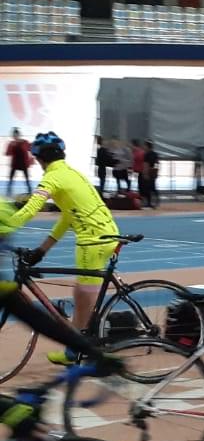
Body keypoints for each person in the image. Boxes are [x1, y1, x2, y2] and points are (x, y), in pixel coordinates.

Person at [6, 131, 118, 364]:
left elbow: (31, 208)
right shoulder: (70, 173)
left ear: (39, 158)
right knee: (81, 297)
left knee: (83, 304)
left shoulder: (52, 179)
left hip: (92, 242)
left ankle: (78, 350)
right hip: (107, 236)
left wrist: (6, 225)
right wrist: (42, 249)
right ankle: (79, 344)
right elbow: (67, 217)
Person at [6, 128, 33, 196]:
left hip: (24, 164)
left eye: (16, 134)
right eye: (14, 135)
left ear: (19, 135)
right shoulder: (11, 143)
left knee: (27, 179)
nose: (15, 136)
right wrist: (11, 146)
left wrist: (32, 160)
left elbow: (31, 149)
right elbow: (7, 153)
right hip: (15, 164)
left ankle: (30, 192)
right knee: (11, 179)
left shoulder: (25, 142)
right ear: (13, 136)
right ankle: (8, 193)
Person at [141, 140, 161, 209]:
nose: (144, 147)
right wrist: (156, 171)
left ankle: (149, 203)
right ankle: (156, 200)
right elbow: (157, 163)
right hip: (153, 172)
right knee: (153, 187)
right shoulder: (155, 154)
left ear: (147, 146)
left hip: (149, 172)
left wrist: (145, 173)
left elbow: (146, 164)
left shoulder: (146, 154)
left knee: (148, 187)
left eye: (144, 146)